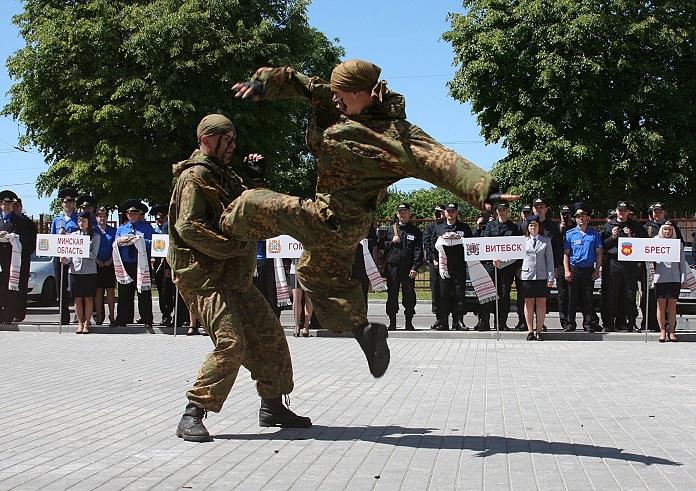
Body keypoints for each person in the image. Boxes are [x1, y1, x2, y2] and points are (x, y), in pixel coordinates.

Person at [225, 59, 518, 377]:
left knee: (253, 203)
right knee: (313, 276)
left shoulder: (395, 135)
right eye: (334, 93)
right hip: (336, 220)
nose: (335, 99)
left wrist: (485, 191)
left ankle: (217, 231)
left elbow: (440, 160)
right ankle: (364, 332)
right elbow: (299, 82)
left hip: (337, 218)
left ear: (361, 92)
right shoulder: (334, 100)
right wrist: (262, 84)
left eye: (342, 95)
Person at [169, 114, 310, 442]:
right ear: (206, 140)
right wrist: (230, 248)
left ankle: (272, 406)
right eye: (226, 139)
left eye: (233, 140)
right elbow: (188, 226)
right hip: (204, 278)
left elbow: (247, 214)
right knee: (231, 343)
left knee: (270, 335)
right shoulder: (195, 177)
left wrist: (256, 182)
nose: (232, 145)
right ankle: (192, 413)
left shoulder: (225, 176)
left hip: (232, 275)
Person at [600, 200, 646, 332]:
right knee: (611, 292)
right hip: (613, 261)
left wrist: (630, 236)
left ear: (629, 212)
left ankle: (630, 321)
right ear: (616, 211)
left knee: (629, 292)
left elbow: (641, 245)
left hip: (629, 262)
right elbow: (602, 246)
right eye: (620, 210)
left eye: (625, 211)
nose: (622, 213)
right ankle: (609, 322)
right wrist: (613, 237)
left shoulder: (635, 226)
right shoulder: (609, 226)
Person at [379, 202, 423, 331]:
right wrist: (390, 241)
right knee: (392, 294)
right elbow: (380, 245)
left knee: (409, 295)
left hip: (408, 267)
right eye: (400, 212)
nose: (403, 214)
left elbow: (418, 251)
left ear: (409, 214)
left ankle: (409, 322)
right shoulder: (389, 229)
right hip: (392, 267)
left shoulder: (414, 231)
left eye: (405, 212)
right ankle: (392, 323)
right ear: (397, 214)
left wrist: (415, 267)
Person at [641, 202, 683, 332]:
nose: (657, 214)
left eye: (660, 211)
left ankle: (669, 326)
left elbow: (679, 246)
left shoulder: (672, 227)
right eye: (655, 212)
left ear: (664, 212)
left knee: (669, 301)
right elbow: (641, 246)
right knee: (649, 297)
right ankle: (650, 324)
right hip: (651, 268)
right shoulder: (647, 228)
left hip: (669, 270)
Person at [479, 202, 520, 331]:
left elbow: (516, 247)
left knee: (504, 294)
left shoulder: (513, 227)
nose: (501, 212)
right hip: (491, 264)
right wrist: (493, 257)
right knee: (488, 293)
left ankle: (501, 323)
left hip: (507, 266)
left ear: (508, 211)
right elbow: (486, 244)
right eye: (499, 210)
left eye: (504, 210)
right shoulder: (490, 226)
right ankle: (485, 322)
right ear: (496, 211)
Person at [113, 199, 154, 327]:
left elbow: (154, 243)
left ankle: (146, 319)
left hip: (141, 264)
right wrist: (122, 241)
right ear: (126, 214)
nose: (132, 215)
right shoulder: (121, 229)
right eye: (130, 213)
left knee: (144, 292)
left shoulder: (146, 227)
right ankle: (123, 318)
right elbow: (115, 244)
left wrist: (139, 240)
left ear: (139, 213)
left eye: (135, 213)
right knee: (124, 292)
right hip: (126, 264)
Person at [563, 203, 603, 333]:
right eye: (578, 216)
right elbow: (566, 254)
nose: (581, 218)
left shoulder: (594, 234)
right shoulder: (570, 234)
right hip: (574, 268)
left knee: (587, 298)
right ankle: (570, 323)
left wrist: (597, 270)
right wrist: (567, 270)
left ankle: (588, 323)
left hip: (588, 269)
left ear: (587, 218)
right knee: (572, 298)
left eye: (583, 216)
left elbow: (599, 253)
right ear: (575, 219)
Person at [61, 211, 100, 334]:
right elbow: (70, 255)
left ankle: (87, 322)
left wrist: (82, 249)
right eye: (79, 221)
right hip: (75, 270)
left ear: (88, 222)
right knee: (77, 298)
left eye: (84, 221)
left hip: (89, 271)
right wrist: (65, 259)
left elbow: (94, 255)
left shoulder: (95, 236)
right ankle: (79, 323)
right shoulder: (74, 236)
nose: (81, 223)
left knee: (88, 298)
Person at [437, 201, 473, 331]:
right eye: (448, 211)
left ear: (457, 213)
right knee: (444, 293)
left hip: (459, 264)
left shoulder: (464, 227)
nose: (450, 213)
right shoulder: (439, 228)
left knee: (459, 293)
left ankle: (459, 321)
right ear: (445, 212)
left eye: (453, 211)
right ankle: (444, 321)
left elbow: (471, 245)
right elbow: (432, 244)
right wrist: (435, 260)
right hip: (444, 266)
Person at [517, 215, 554, 341]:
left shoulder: (546, 241)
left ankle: (539, 331)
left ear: (539, 227)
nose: (533, 228)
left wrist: (550, 278)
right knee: (528, 303)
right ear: (527, 227)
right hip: (527, 276)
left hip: (541, 276)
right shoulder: (523, 241)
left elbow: (550, 261)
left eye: (535, 225)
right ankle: (530, 331)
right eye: (531, 225)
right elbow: (515, 257)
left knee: (541, 303)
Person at [651, 220, 688, 343]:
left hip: (674, 278)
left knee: (672, 307)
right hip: (660, 277)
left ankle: (671, 331)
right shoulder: (656, 241)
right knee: (661, 306)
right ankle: (662, 331)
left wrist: (683, 278)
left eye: (670, 230)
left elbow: (682, 262)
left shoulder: (678, 243)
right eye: (665, 229)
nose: (667, 232)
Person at [50, 188, 79, 324]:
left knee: (76, 285)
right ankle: (63, 316)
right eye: (66, 202)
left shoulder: (78, 219)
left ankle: (78, 315)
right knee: (60, 286)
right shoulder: (57, 220)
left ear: (74, 203)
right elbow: (52, 238)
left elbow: (81, 237)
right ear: (62, 203)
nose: (68, 204)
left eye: (71, 201)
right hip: (60, 255)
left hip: (74, 256)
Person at [149, 204, 176, 327]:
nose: (159, 220)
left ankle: (178, 315)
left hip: (169, 265)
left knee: (172, 291)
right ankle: (165, 314)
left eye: (162, 217)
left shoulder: (170, 228)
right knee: (162, 291)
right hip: (158, 265)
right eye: (157, 218)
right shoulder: (154, 231)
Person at [11, 197, 37, 323]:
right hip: (9, 258)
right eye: (13, 205)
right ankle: (9, 312)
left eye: (17, 205)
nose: (15, 208)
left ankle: (20, 313)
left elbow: (33, 240)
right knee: (9, 286)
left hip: (23, 258)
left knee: (21, 286)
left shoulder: (28, 223)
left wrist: (25, 252)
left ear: (21, 207)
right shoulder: (8, 221)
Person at [422, 204, 447, 329]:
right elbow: (426, 244)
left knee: (446, 290)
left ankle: (449, 318)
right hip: (434, 263)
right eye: (436, 213)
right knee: (435, 289)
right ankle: (438, 318)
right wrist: (433, 259)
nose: (438, 215)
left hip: (447, 262)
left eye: (440, 212)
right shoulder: (430, 227)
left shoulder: (448, 225)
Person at [94, 206, 117, 326]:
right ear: (96, 218)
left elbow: (116, 247)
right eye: (100, 216)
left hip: (109, 263)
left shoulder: (113, 231)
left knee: (110, 290)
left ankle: (112, 316)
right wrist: (96, 260)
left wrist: (111, 260)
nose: (102, 218)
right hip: (96, 263)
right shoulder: (93, 230)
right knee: (98, 291)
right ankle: (99, 316)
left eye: (104, 216)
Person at [513, 203, 533, 331]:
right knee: (521, 295)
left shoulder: (535, 226)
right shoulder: (517, 228)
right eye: (524, 213)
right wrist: (517, 267)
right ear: (521, 214)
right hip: (521, 266)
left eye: (528, 213)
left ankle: (535, 321)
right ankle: (522, 320)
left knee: (534, 295)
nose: (526, 215)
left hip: (534, 266)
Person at [557, 204, 573, 330]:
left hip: (574, 263)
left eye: (567, 214)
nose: (565, 216)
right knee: (562, 294)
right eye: (563, 214)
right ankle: (564, 321)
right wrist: (560, 231)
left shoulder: (575, 227)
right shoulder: (556, 228)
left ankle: (571, 320)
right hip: (560, 264)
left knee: (573, 294)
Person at [290, 258, 313, 337]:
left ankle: (306, 326)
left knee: (309, 299)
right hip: (295, 270)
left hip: (311, 270)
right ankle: (297, 325)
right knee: (296, 298)